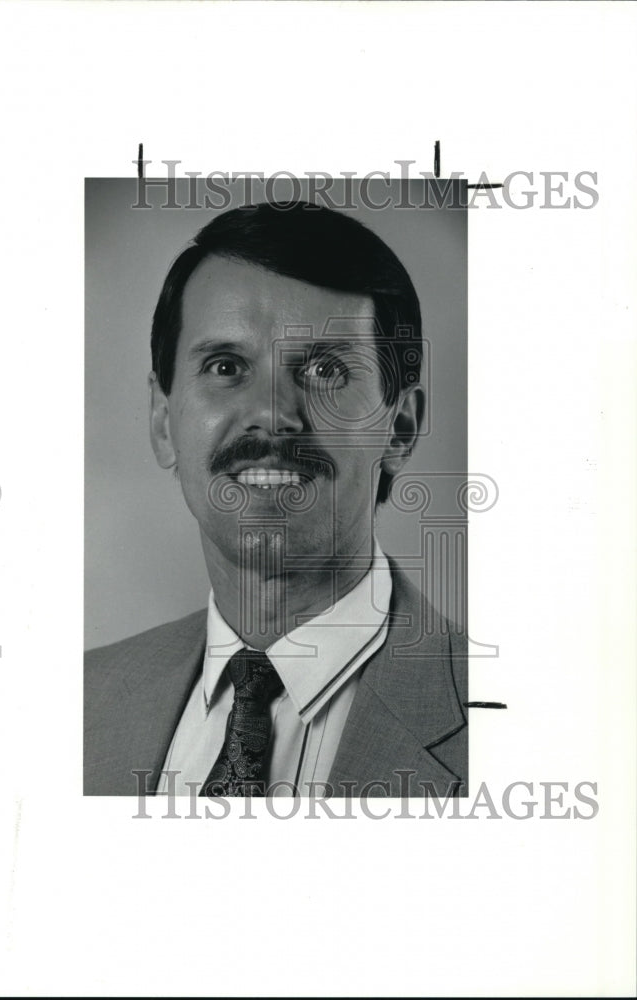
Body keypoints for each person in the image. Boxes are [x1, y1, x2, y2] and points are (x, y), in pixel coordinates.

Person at [84, 200, 467, 799]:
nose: (271, 414)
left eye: (324, 371)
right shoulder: (79, 700)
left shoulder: (517, 717)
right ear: (163, 423)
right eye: (226, 365)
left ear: (399, 428)